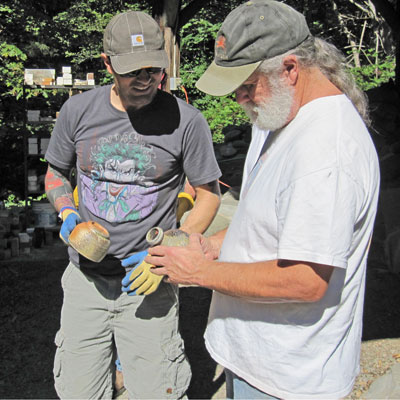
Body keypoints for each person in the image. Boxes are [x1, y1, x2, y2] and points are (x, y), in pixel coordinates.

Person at [144, 1, 381, 399]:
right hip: (257, 362)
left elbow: (306, 280)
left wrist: (199, 272)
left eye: (246, 86)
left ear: (290, 69)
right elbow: (269, 218)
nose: (239, 98)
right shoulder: (276, 114)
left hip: (289, 378)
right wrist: (214, 246)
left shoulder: (326, 152)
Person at [44, 10, 221, 399]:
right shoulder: (78, 112)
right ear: (107, 64)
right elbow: (56, 173)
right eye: (132, 72)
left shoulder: (186, 122)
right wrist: (68, 213)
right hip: (85, 283)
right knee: (78, 391)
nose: (145, 81)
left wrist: (169, 250)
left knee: (157, 391)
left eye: (153, 71)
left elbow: (209, 193)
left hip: (147, 285)